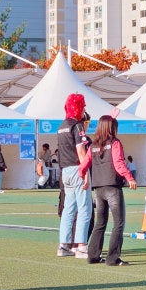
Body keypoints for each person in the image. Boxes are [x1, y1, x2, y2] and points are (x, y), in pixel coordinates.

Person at [78, 115, 137, 266]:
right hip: (112, 186)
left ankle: (93, 256)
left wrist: (82, 175)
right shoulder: (115, 143)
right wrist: (129, 177)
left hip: (99, 188)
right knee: (118, 223)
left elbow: (84, 163)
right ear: (112, 128)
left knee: (100, 223)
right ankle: (113, 258)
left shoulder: (93, 145)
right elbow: (118, 163)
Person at [57, 93, 93, 258]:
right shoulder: (77, 126)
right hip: (77, 168)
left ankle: (63, 245)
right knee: (85, 208)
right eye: (83, 106)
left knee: (68, 209)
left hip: (65, 171)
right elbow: (80, 150)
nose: (84, 109)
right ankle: (81, 246)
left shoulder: (61, 126)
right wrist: (84, 171)